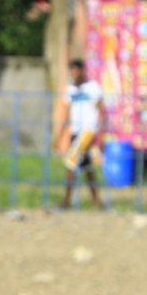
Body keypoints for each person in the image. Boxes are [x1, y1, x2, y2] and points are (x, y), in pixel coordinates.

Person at [57, 59, 103, 208]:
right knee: (87, 168)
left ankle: (66, 202)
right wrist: (60, 135)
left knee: (70, 162)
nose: (74, 73)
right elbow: (66, 113)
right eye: (72, 70)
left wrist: (102, 135)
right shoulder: (70, 89)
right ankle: (97, 202)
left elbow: (102, 111)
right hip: (75, 130)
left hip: (88, 130)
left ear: (83, 70)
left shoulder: (93, 87)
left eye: (76, 69)